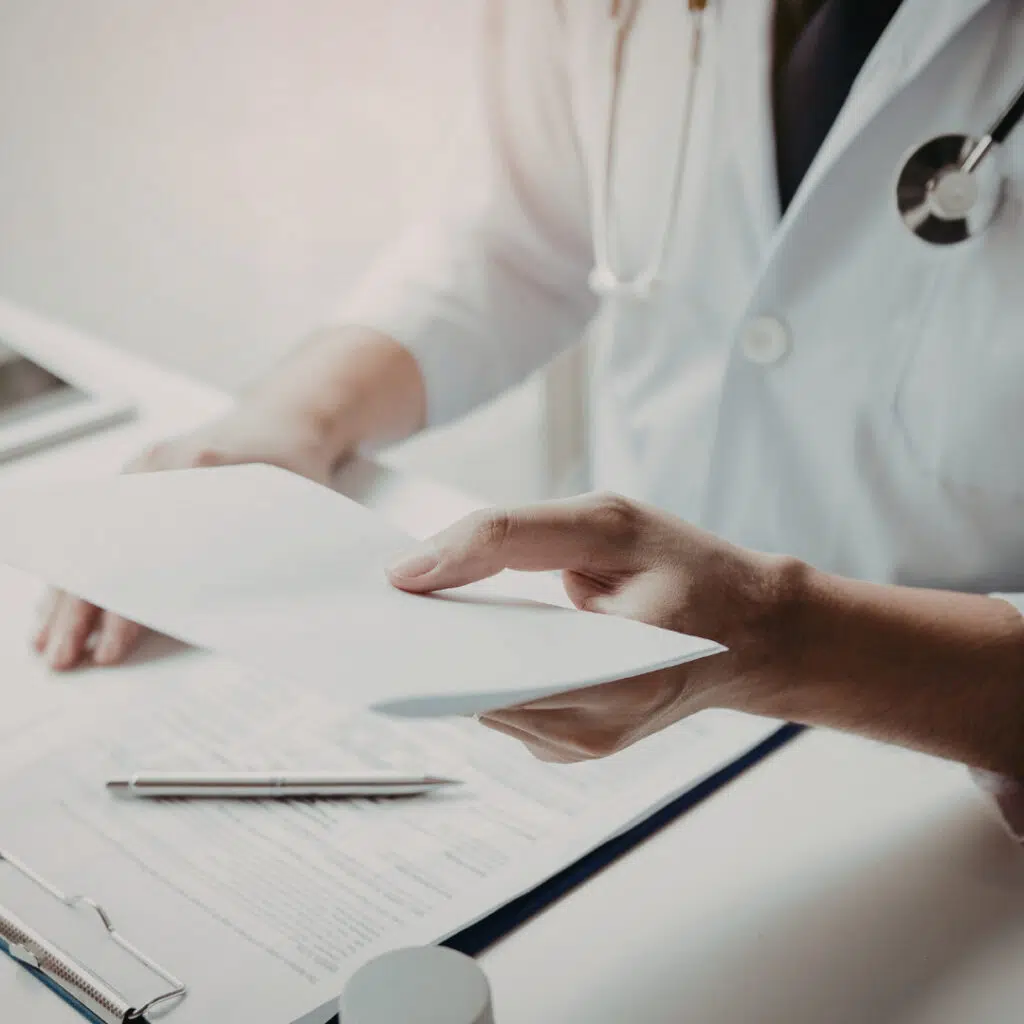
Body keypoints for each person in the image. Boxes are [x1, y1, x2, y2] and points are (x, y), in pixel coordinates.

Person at [32, 1, 1024, 833]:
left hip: (943, 789)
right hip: (621, 717)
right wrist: (291, 418)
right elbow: (522, 230)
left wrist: (779, 637)